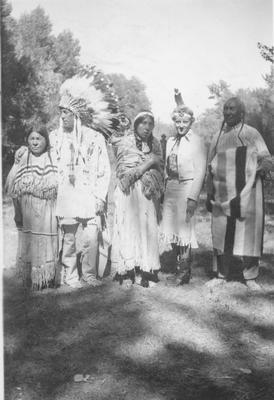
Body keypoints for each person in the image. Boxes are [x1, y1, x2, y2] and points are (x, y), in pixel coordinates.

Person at [15, 70, 119, 289]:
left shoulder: (94, 137)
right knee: (69, 238)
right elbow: (38, 149)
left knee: (92, 233)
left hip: (89, 193)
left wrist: (100, 196)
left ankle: (89, 273)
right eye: (60, 112)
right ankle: (70, 274)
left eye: (66, 112)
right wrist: (23, 150)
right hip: (66, 195)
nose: (62, 116)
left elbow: (104, 170)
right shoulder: (54, 137)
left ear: (76, 114)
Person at [206, 97, 274, 288]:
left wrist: (253, 173)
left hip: (248, 194)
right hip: (222, 194)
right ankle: (220, 275)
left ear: (241, 113)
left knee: (249, 232)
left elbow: (267, 159)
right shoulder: (217, 136)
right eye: (225, 108)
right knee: (220, 231)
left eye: (232, 109)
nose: (227, 112)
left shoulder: (252, 134)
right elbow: (209, 164)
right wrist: (210, 187)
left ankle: (250, 277)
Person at [111, 111, 165, 287]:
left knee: (146, 228)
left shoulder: (156, 144)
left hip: (147, 193)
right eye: (143, 123)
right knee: (128, 227)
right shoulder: (125, 143)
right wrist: (148, 164)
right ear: (135, 125)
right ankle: (128, 270)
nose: (147, 127)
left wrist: (151, 169)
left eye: (150, 124)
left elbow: (160, 168)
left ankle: (145, 269)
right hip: (128, 192)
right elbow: (122, 171)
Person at [159, 89, 207, 284]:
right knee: (171, 228)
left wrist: (193, 198)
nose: (180, 125)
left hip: (187, 188)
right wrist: (163, 190)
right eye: (177, 122)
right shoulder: (170, 141)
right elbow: (165, 166)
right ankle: (176, 263)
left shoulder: (197, 142)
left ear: (191, 123)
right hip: (171, 188)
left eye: (184, 122)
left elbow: (201, 171)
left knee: (185, 229)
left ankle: (184, 270)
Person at [6, 125, 58, 290]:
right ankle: (30, 277)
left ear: (45, 140)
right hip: (27, 208)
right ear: (27, 141)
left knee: (46, 241)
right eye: (32, 139)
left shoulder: (52, 156)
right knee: (29, 241)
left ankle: (46, 276)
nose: (35, 142)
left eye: (39, 139)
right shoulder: (23, 157)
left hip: (47, 211)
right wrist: (17, 212)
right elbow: (13, 187)